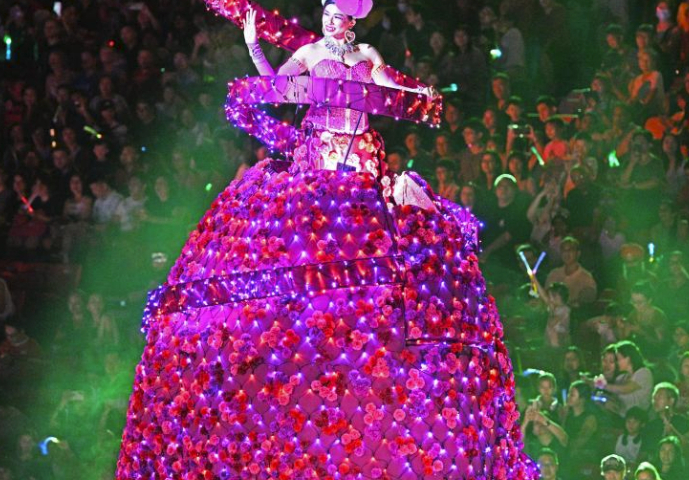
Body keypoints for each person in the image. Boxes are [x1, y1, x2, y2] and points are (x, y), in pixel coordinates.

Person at [115, 2, 537, 478]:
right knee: (300, 243)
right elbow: (275, 87)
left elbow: (391, 90)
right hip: (317, 160)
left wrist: (412, 91)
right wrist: (253, 44)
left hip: (361, 164)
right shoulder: (312, 52)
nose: (332, 22)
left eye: (340, 15)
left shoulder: (368, 55)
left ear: (351, 21)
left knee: (390, 237)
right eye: (328, 13)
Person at [606, 340, 654, 416]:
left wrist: (602, 385)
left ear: (628, 358)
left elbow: (625, 389)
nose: (617, 363)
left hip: (639, 419)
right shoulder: (621, 378)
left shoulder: (644, 373)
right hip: (620, 418)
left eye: (619, 359)